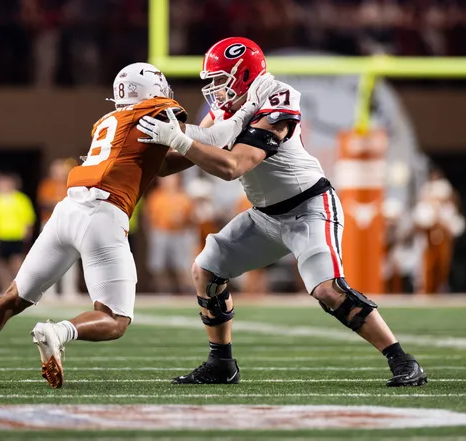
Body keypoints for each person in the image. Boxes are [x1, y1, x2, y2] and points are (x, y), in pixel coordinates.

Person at [137, 37, 427, 387]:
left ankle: (401, 359)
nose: (213, 89)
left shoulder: (277, 98)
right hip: (265, 215)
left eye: (220, 79)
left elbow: (234, 166)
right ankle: (221, 364)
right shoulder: (228, 111)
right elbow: (171, 166)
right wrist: (133, 152)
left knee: (328, 291)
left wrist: (181, 138)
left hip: (308, 207)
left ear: (243, 76)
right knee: (207, 270)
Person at [0, 62, 196, 388]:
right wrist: (229, 127)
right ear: (151, 92)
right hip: (103, 214)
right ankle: (59, 331)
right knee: (114, 318)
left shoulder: (107, 122)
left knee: (12, 298)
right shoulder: (156, 109)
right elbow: (198, 140)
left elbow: (160, 165)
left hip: (67, 210)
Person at [0, 173, 36, 292]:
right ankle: (5, 288)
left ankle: (19, 287)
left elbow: (28, 218)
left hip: (16, 235)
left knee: (17, 262)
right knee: (2, 263)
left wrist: (27, 232)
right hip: (2, 236)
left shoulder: (21, 199)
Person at [37, 158, 80, 300]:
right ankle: (49, 292)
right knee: (49, 258)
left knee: (71, 258)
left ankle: (70, 291)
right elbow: (44, 204)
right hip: (50, 223)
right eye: (56, 169)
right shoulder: (46, 185)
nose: (58, 172)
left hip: (69, 224)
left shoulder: (71, 184)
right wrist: (60, 205)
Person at [145, 174, 196, 293]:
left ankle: (184, 291)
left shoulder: (183, 196)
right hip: (160, 233)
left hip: (179, 234)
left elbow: (192, 219)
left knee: (181, 266)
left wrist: (183, 219)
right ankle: (164, 291)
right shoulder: (155, 196)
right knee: (158, 266)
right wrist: (151, 234)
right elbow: (147, 217)